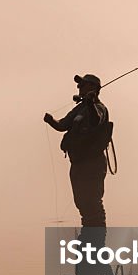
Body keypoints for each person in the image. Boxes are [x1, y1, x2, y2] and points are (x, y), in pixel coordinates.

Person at [43, 74, 111, 228]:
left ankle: (97, 240)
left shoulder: (100, 108)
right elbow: (62, 125)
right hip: (78, 164)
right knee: (81, 202)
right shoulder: (79, 108)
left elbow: (95, 121)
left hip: (93, 164)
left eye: (83, 85)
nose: (79, 87)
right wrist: (51, 120)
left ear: (94, 88)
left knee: (93, 203)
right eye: (79, 85)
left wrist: (90, 103)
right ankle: (88, 238)